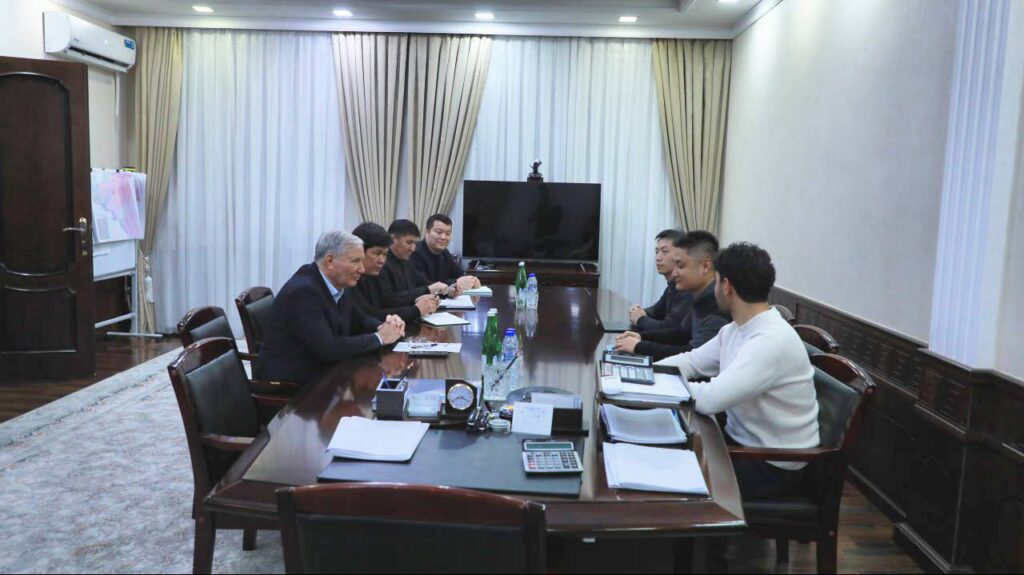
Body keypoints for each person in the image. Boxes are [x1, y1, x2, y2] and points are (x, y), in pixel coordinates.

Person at [656, 242, 820, 499]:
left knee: (669, 477)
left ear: (726, 286)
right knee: (667, 453)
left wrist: (659, 385)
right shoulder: (736, 329)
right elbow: (692, 361)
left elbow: (711, 398)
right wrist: (648, 374)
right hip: (740, 445)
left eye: (716, 281)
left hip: (773, 465)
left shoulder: (770, 341)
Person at [257, 230, 405, 385]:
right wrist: (379, 338)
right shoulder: (303, 291)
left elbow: (360, 320)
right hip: (293, 385)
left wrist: (387, 326)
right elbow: (328, 349)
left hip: (324, 372)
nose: (362, 269)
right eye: (355, 261)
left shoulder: (337, 284)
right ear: (330, 261)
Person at [615, 231, 729, 360]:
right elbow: (680, 333)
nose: (674, 274)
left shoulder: (717, 308)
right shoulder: (700, 298)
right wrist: (641, 337)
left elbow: (693, 357)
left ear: (705, 266)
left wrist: (639, 346)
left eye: (680, 265)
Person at [350, 222, 439, 323]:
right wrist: (415, 310)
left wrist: (418, 300)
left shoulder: (373, 273)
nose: (382, 261)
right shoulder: (349, 280)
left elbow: (382, 309)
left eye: (385, 254)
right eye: (377, 253)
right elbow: (368, 316)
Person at [628, 228, 692, 331]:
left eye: (664, 251)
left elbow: (669, 328)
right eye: (657, 251)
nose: (658, 258)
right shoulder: (672, 285)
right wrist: (639, 312)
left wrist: (640, 319)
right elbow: (657, 311)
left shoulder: (687, 288)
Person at [379, 219, 452, 306]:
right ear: (393, 239)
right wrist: (427, 290)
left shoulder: (408, 260)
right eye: (409, 242)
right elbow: (390, 299)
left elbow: (422, 283)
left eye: (415, 243)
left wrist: (444, 291)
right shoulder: (381, 263)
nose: (413, 249)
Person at [410, 213, 481, 292]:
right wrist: (456, 282)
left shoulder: (445, 253)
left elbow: (459, 275)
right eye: (439, 232)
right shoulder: (415, 252)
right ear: (427, 231)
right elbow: (425, 285)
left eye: (448, 233)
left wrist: (471, 280)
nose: (443, 237)